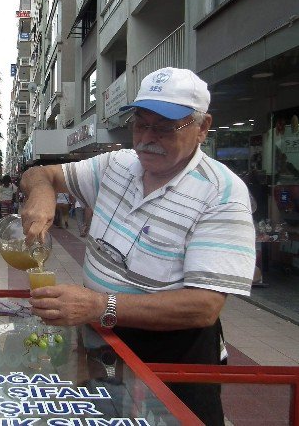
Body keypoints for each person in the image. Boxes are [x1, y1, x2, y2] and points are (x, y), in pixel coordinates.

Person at [20, 67, 256, 425]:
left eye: (163, 127)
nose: (147, 137)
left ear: (203, 127)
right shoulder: (117, 165)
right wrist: (41, 194)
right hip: (104, 346)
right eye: (140, 124)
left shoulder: (222, 195)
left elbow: (203, 307)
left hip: (174, 359)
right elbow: (40, 173)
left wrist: (100, 304)